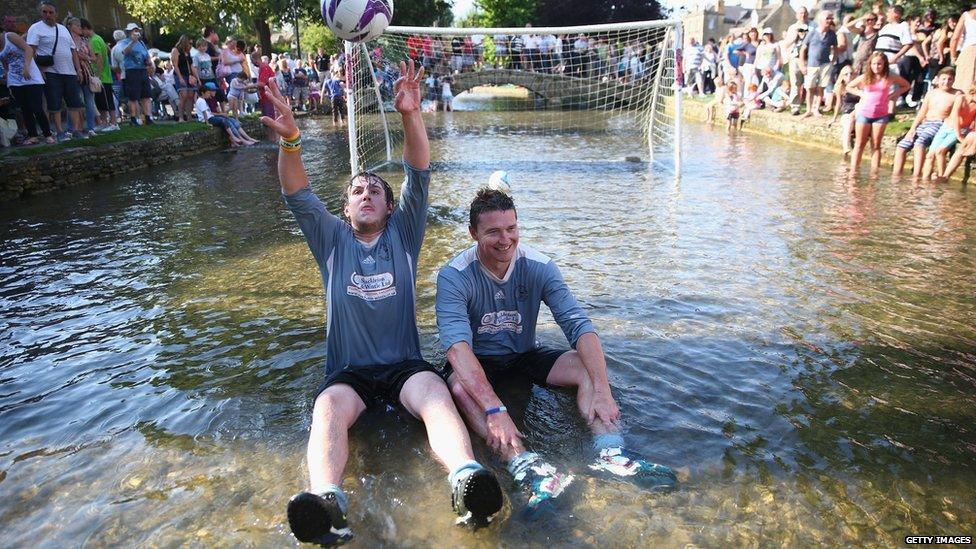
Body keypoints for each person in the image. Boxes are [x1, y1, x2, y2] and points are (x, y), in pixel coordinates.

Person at [260, 61, 503, 544]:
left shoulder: (404, 234)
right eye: (356, 191)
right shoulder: (329, 238)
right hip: (349, 374)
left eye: (374, 190)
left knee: (435, 395)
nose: (365, 194)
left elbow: (417, 171)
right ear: (345, 208)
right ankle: (327, 500)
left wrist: (411, 115)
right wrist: (290, 142)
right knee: (327, 406)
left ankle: (464, 479)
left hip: (403, 368)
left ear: (390, 208)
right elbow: (296, 191)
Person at [435, 185, 678, 515]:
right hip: (479, 361)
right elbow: (457, 349)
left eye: (512, 229)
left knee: (585, 366)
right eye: (493, 232)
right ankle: (526, 465)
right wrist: (495, 408)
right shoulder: (454, 276)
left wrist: (604, 391)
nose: (505, 239)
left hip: (523, 356)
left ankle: (610, 452)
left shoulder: (539, 266)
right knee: (459, 387)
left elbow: (580, 327)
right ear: (473, 233)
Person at [26, 0, 85, 142]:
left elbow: (73, 51)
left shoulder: (63, 29)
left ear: (56, 14)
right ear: (41, 13)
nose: (48, 15)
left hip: (69, 71)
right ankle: (59, 131)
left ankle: (76, 130)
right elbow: (31, 50)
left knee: (74, 102)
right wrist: (35, 69)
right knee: (55, 103)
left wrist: (78, 69)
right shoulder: (36, 28)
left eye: (50, 12)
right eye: (44, 12)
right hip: (51, 71)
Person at [847, 52, 910, 172]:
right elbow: (849, 86)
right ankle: (853, 171)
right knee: (859, 144)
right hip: (865, 113)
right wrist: (861, 94)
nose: (877, 66)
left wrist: (893, 95)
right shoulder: (865, 77)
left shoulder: (890, 76)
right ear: (870, 64)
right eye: (874, 64)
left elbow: (906, 85)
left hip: (880, 115)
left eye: (879, 64)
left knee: (876, 145)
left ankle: (874, 173)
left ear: (884, 64)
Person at [893, 67, 957, 177]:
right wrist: (912, 129)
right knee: (901, 146)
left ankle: (916, 176)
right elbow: (922, 113)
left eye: (949, 79)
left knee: (920, 142)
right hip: (926, 122)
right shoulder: (931, 93)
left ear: (954, 80)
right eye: (944, 79)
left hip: (940, 123)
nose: (946, 82)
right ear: (937, 79)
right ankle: (896, 176)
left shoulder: (956, 95)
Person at [0, 24, 53, 144]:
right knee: (25, 108)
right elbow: (4, 61)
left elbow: (29, 49)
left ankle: (47, 134)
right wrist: (8, 74)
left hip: (30, 76)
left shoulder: (10, 37)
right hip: (15, 80)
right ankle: (32, 135)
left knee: (36, 107)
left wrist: (26, 66)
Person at [924, 84, 976, 180]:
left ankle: (942, 176)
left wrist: (961, 133)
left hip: (962, 129)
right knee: (930, 154)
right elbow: (955, 116)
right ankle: (924, 179)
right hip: (947, 127)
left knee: (940, 151)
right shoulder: (961, 98)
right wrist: (958, 134)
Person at [799, 10, 840, 119]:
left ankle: (816, 109)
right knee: (809, 88)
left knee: (821, 88)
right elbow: (803, 49)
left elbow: (835, 49)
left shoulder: (832, 34)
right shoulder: (812, 33)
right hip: (812, 64)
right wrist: (802, 64)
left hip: (825, 64)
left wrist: (832, 62)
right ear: (821, 20)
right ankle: (808, 110)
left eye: (831, 18)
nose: (830, 20)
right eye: (827, 18)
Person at [194, 82, 258, 146]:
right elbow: (206, 113)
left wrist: (222, 113)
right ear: (206, 92)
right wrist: (219, 116)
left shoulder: (210, 99)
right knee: (226, 122)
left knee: (233, 121)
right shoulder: (203, 100)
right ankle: (240, 140)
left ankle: (247, 138)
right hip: (210, 118)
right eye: (213, 91)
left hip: (212, 116)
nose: (215, 92)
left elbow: (212, 111)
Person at [86, 19, 118, 131]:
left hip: (102, 77)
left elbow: (98, 59)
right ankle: (104, 123)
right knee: (101, 102)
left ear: (85, 28)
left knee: (107, 101)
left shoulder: (94, 41)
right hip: (105, 76)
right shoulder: (99, 38)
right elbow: (108, 50)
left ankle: (113, 123)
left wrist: (97, 76)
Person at [118, 22, 154, 125]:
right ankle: (133, 118)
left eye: (137, 30)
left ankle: (148, 117)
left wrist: (148, 62)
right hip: (132, 71)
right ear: (129, 32)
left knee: (146, 95)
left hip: (142, 70)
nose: (136, 33)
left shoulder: (142, 43)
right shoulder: (124, 42)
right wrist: (132, 42)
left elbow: (146, 56)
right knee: (133, 96)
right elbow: (125, 52)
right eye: (134, 31)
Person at [783, 7, 811, 115]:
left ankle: (810, 107)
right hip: (795, 58)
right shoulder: (792, 28)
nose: (802, 15)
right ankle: (795, 107)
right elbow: (786, 44)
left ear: (807, 14)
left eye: (804, 13)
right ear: (796, 15)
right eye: (800, 13)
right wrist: (795, 37)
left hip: (810, 58)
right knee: (795, 83)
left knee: (809, 84)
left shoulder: (813, 26)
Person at [170, 34, 197, 122]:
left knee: (191, 96)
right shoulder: (176, 50)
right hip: (180, 75)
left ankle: (189, 117)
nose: (191, 45)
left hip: (189, 75)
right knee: (183, 96)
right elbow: (175, 65)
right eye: (190, 43)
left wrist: (196, 77)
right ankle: (181, 117)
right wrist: (180, 78)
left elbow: (191, 65)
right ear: (185, 42)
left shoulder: (188, 52)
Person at [951, 7, 976, 92]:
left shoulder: (966, 16)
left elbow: (955, 38)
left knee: (964, 83)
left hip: (969, 51)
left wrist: (953, 57)